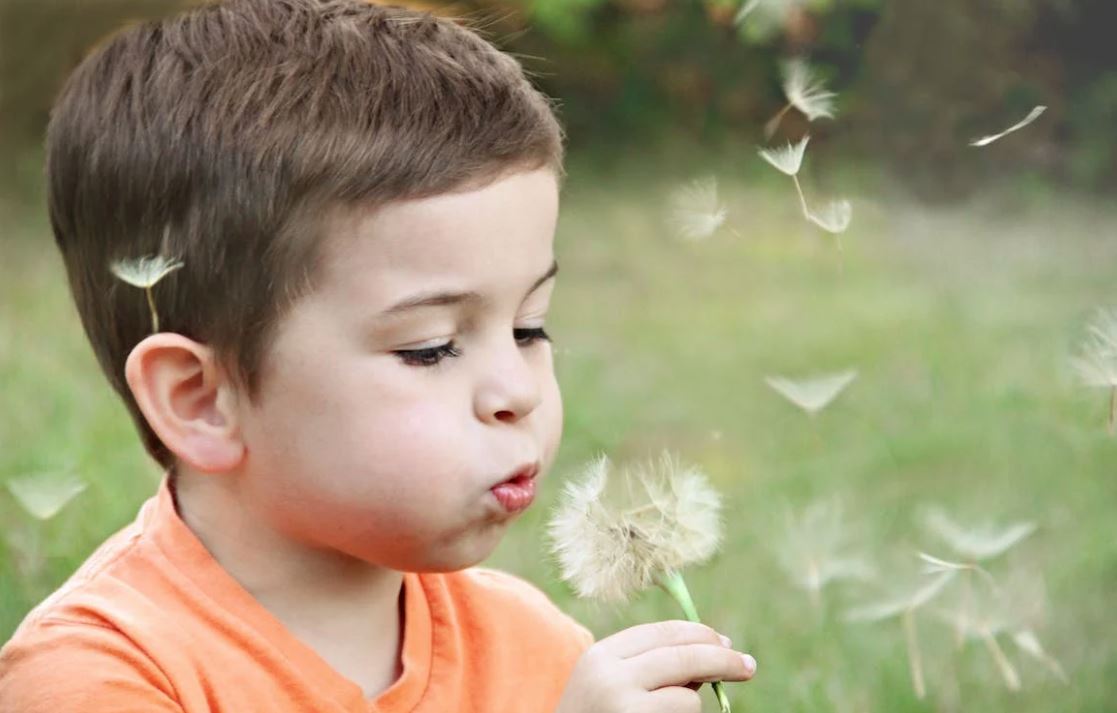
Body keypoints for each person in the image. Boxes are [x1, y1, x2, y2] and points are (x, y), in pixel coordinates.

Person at [0, 1, 757, 710]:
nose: (515, 390)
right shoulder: (100, 675)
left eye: (528, 327)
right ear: (201, 398)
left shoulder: (535, 646)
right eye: (429, 349)